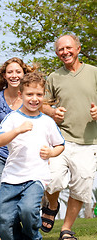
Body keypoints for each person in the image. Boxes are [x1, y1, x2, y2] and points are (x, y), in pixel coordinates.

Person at [0, 71, 65, 240]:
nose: (34, 98)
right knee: (2, 219)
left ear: (43, 95)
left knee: (28, 210)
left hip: (36, 177)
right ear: (20, 95)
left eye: (39, 94)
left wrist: (51, 152)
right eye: (29, 94)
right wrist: (17, 130)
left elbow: (60, 145)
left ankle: (34, 237)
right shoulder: (12, 118)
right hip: (11, 177)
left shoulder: (47, 121)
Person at [41, 34, 97, 240]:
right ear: (57, 53)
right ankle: (53, 205)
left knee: (82, 185)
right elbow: (42, 104)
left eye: (68, 48)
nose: (64, 52)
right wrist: (52, 112)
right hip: (61, 140)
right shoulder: (54, 77)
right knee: (52, 179)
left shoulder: (93, 73)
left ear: (78, 49)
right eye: (60, 50)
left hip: (89, 142)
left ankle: (66, 229)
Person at [0, 57, 36, 240]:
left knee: (21, 199)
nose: (14, 75)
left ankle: (20, 233)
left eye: (18, 72)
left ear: (24, 74)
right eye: (10, 72)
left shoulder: (30, 97)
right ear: (4, 75)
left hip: (22, 156)